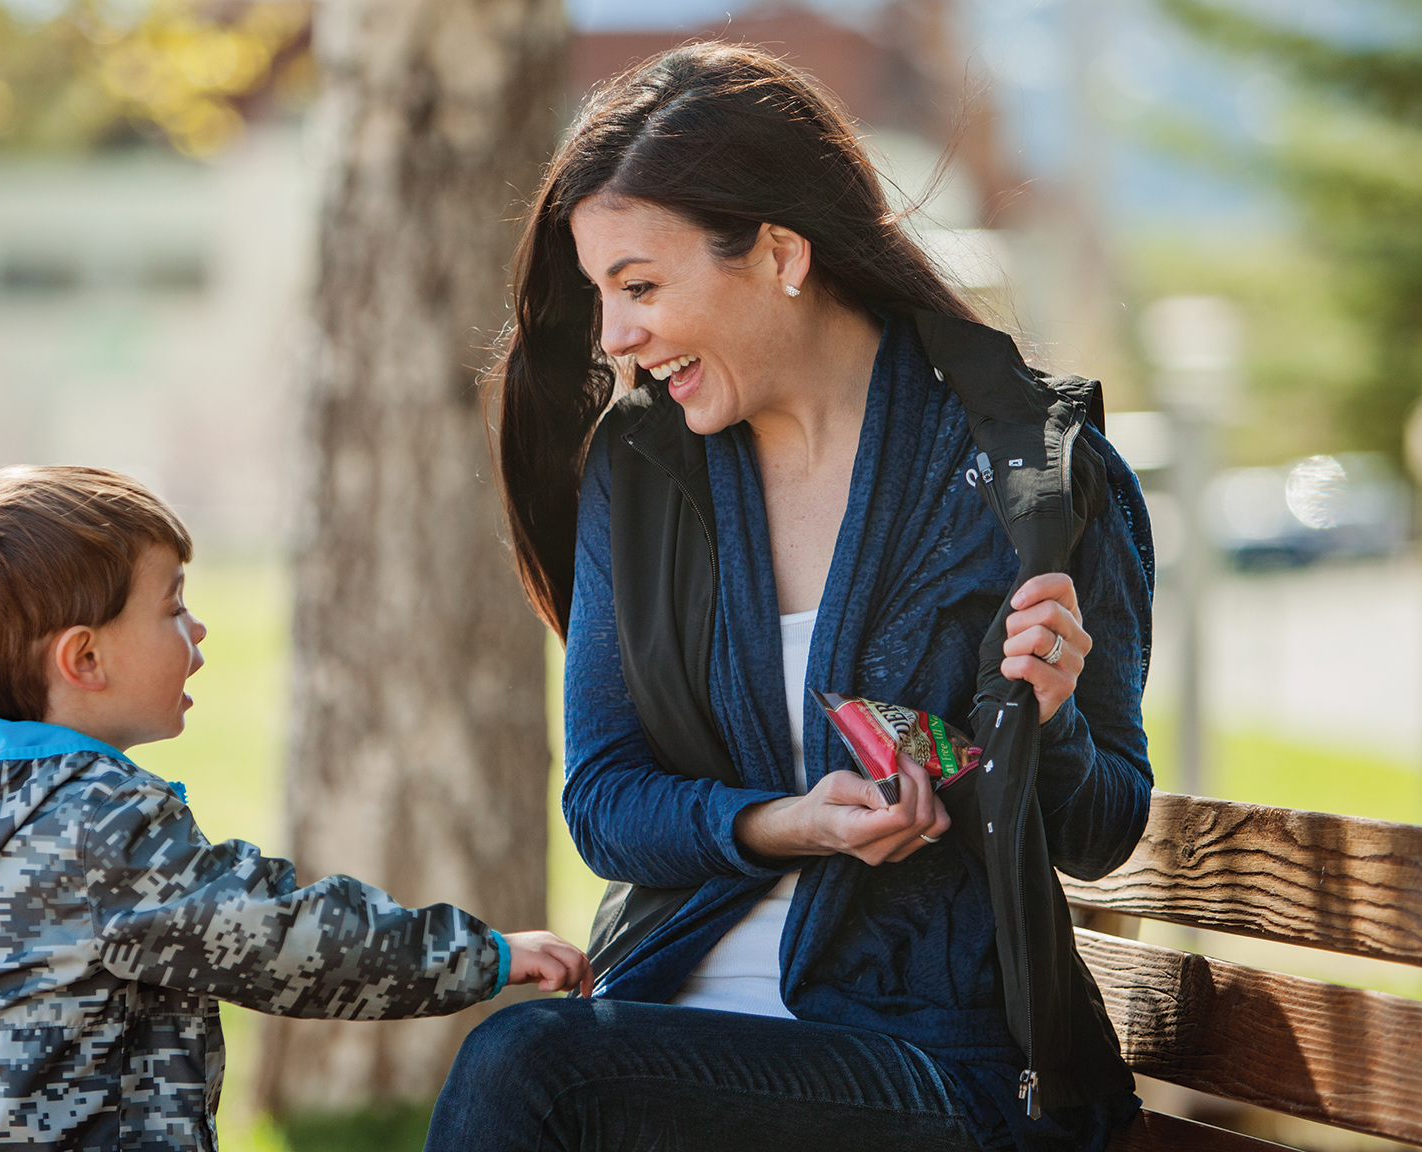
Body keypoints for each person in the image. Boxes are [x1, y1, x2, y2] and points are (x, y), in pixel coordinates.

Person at [426, 44, 1154, 1152]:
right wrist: (781, 825)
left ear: (777, 253)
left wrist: (1046, 728)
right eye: (600, 296)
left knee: (531, 1064)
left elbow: (1103, 831)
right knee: (546, 1063)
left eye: (641, 287)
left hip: (930, 1067)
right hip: (668, 1027)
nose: (616, 339)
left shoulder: (1028, 477)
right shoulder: (646, 470)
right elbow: (605, 799)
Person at [0, 465, 589, 1151]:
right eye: (173, 605)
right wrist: (484, 955)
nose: (198, 628)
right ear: (84, 660)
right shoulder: (96, 830)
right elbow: (283, 939)